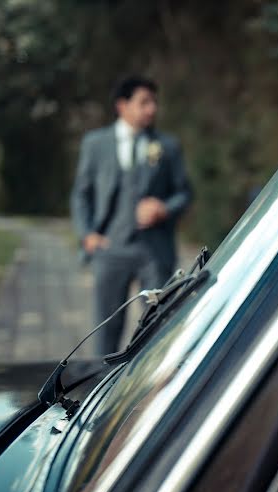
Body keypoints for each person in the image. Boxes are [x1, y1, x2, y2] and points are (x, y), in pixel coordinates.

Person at [70, 75, 192, 355]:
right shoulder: (95, 144)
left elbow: (184, 193)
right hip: (110, 248)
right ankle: (99, 392)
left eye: (154, 103)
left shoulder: (167, 146)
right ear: (122, 106)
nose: (152, 109)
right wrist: (87, 234)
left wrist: (164, 208)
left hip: (155, 252)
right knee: (105, 334)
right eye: (144, 102)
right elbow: (81, 194)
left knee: (157, 329)